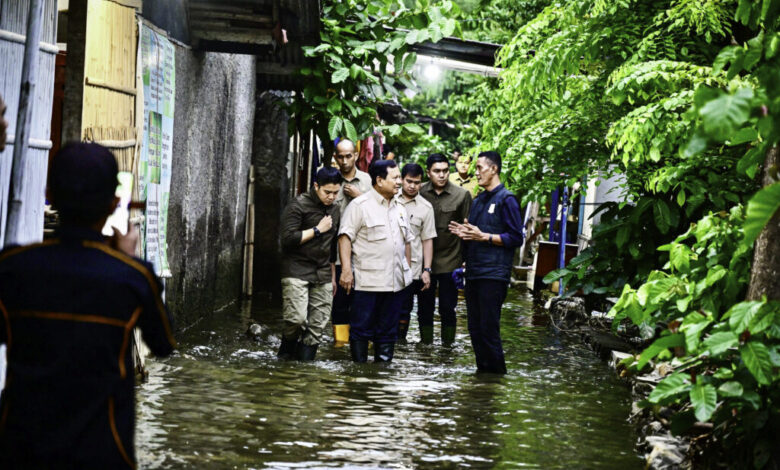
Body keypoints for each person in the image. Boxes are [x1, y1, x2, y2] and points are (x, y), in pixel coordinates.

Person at [0, 142, 176, 468]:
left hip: (20, 451)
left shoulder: (12, 268)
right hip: (102, 454)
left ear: (50, 194)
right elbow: (164, 344)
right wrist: (130, 260)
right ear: (113, 205)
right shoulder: (132, 279)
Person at [449, 151, 525, 374]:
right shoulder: (479, 200)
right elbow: (474, 234)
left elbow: (516, 238)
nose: (476, 172)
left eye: (480, 167)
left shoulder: (506, 199)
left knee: (489, 329)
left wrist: (485, 237)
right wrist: (465, 234)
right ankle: (483, 378)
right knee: (474, 329)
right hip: (474, 272)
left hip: (494, 274)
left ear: (494, 169)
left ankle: (497, 379)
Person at [338, 160, 413, 362]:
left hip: (395, 283)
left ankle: (381, 377)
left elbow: (406, 243)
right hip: (367, 282)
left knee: (388, 332)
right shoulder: (359, 206)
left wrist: (408, 272)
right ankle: (359, 376)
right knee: (361, 330)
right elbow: (345, 237)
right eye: (395, 177)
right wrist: (346, 270)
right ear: (379, 180)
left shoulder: (400, 208)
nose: (400, 182)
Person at [278, 167, 343, 361]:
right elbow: (287, 239)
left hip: (322, 272)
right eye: (327, 192)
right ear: (316, 186)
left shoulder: (335, 209)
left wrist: (333, 277)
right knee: (296, 320)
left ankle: (304, 370)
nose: (331, 197)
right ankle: (285, 358)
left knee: (317, 326)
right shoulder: (298, 205)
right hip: (296, 269)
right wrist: (317, 229)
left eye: (335, 193)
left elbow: (332, 246)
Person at [419, 153, 472, 345]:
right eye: (437, 171)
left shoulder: (462, 195)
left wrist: (467, 260)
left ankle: (447, 348)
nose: (441, 175)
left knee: (448, 307)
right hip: (425, 261)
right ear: (428, 173)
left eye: (445, 171)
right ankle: (425, 346)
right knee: (424, 307)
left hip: (451, 259)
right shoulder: (420, 192)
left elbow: (468, 230)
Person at [331, 138, 373, 347]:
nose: (345, 161)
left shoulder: (368, 180)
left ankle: (360, 346)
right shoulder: (330, 179)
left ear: (356, 156)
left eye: (349, 156)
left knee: (363, 302)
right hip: (336, 254)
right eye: (341, 156)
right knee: (339, 302)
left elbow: (378, 213)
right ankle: (339, 347)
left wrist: (360, 196)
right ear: (335, 157)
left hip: (364, 254)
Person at [396, 163, 436, 342]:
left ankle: (401, 344)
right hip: (387, 266)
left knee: (406, 308)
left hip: (412, 269)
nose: (412, 186)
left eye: (417, 182)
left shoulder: (426, 207)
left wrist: (427, 270)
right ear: (402, 180)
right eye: (409, 181)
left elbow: (427, 239)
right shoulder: (390, 199)